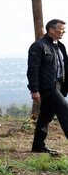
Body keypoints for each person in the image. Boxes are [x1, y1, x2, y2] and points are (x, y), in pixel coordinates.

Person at [27, 19, 68, 155]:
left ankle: (38, 146)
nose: (64, 31)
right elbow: (33, 70)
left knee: (46, 115)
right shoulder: (38, 46)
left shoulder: (61, 47)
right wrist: (34, 90)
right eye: (61, 29)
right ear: (51, 30)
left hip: (59, 85)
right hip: (48, 86)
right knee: (65, 110)